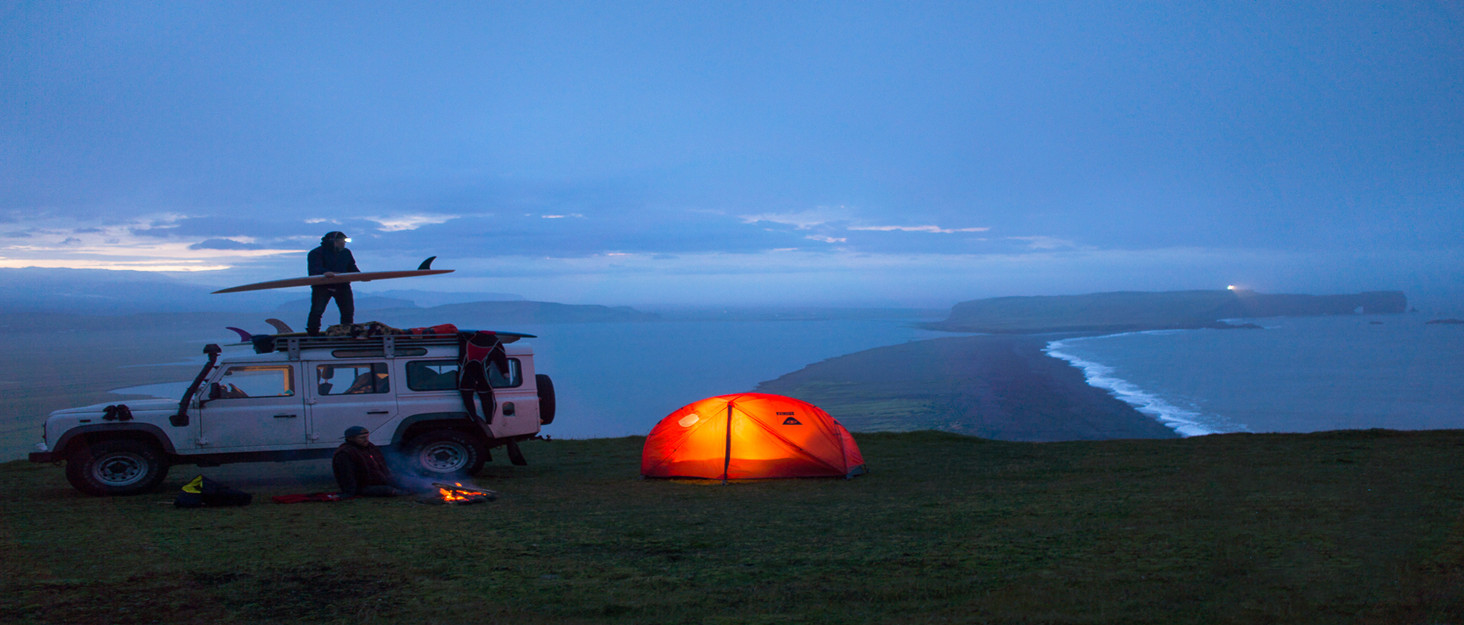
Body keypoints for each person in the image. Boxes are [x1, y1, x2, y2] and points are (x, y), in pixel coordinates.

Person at [306, 231, 360, 335]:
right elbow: (314, 270)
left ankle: (346, 333)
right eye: (342, 241)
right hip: (322, 286)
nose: (344, 244)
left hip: (342, 285)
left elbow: (352, 267)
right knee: (317, 311)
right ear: (334, 241)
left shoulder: (346, 253)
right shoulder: (316, 253)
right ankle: (312, 334)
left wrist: (361, 276)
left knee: (348, 311)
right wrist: (325, 273)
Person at [332, 426, 405, 497]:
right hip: (363, 486)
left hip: (381, 481)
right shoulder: (345, 453)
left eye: (366, 437)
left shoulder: (370, 447)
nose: (366, 440)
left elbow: (382, 466)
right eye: (362, 438)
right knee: (387, 490)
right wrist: (349, 492)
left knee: (406, 482)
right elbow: (347, 475)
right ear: (351, 438)